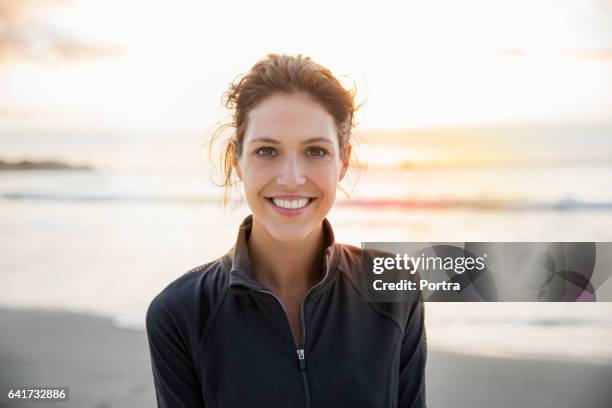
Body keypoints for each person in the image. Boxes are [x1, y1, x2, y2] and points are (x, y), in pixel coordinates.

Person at [145, 53, 427, 408]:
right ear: (238, 160)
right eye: (267, 150)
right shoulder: (180, 313)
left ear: (343, 161)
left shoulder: (395, 288)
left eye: (315, 151)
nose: (291, 179)